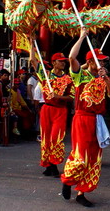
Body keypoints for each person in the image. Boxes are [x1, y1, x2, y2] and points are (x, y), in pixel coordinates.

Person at [61, 28, 110, 208]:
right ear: (89, 61)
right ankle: (67, 179)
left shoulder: (103, 78)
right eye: (98, 61)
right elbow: (71, 58)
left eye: (102, 61)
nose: (101, 64)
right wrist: (81, 36)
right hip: (82, 118)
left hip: (98, 120)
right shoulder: (80, 75)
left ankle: (82, 192)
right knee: (81, 157)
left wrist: (106, 79)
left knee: (94, 158)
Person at [30, 48, 75, 177]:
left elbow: (71, 97)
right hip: (47, 109)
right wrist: (32, 43)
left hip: (60, 110)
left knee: (56, 137)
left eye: (64, 62)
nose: (63, 63)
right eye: (60, 61)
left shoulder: (68, 79)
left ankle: (54, 164)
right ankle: (48, 164)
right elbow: (33, 60)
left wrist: (58, 97)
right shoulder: (46, 75)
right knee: (46, 138)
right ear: (54, 62)